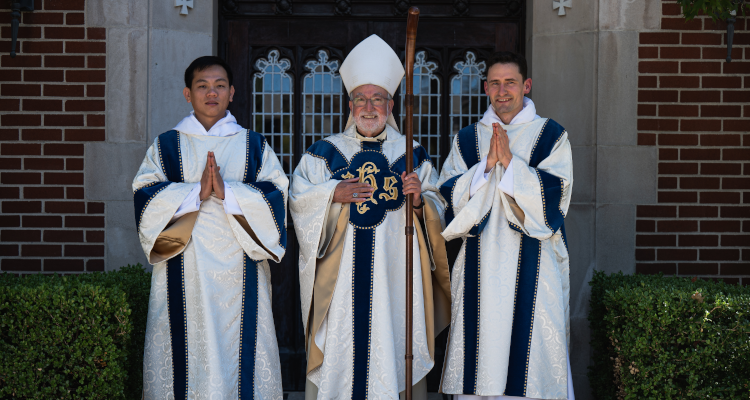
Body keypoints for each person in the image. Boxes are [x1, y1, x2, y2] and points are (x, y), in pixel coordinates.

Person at [289, 35, 452, 400]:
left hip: (396, 279)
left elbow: (440, 206)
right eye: (360, 98)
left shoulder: (412, 154)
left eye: (377, 98)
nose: (368, 106)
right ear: (350, 104)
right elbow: (298, 200)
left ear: (390, 104)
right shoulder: (323, 153)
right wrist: (333, 193)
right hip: (341, 281)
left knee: (393, 347)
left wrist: (417, 202)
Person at [133, 56, 287, 400]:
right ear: (188, 94)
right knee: (185, 350)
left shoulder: (254, 145)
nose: (211, 93)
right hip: (183, 268)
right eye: (202, 86)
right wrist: (196, 194)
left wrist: (227, 192)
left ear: (232, 93)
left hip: (240, 270)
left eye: (219, 86)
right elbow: (144, 197)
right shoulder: (166, 146)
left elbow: (277, 198)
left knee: (238, 353)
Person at [437, 51, 575, 400]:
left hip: (535, 263)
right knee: (481, 351)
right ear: (485, 88)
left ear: (526, 85)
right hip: (478, 266)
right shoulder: (467, 139)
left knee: (530, 363)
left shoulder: (550, 135)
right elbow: (446, 197)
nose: (502, 91)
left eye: (510, 82)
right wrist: (484, 170)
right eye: (495, 83)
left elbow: (557, 200)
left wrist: (511, 165)